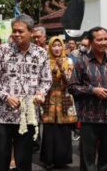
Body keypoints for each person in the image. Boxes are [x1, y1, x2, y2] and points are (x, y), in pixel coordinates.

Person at [0, 14, 52, 171]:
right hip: (2, 115)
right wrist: (6, 96)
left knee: (24, 160)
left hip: (27, 116)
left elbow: (46, 80)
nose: (16, 34)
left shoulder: (41, 54)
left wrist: (41, 93)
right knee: (0, 159)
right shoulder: (1, 51)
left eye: (20, 31)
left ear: (31, 32)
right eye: (14, 31)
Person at [68, 26, 107, 171]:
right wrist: (92, 90)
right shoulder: (82, 62)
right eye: (99, 39)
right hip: (90, 118)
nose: (103, 42)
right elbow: (73, 87)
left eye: (105, 39)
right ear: (91, 42)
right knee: (87, 159)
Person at [40, 36, 76, 170]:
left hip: (64, 97)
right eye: (54, 46)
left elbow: (69, 81)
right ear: (50, 47)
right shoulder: (45, 61)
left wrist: (61, 68)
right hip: (49, 98)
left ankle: (62, 160)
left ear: (63, 47)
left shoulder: (69, 61)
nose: (56, 48)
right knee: (49, 129)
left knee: (63, 129)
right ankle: (48, 159)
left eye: (59, 45)